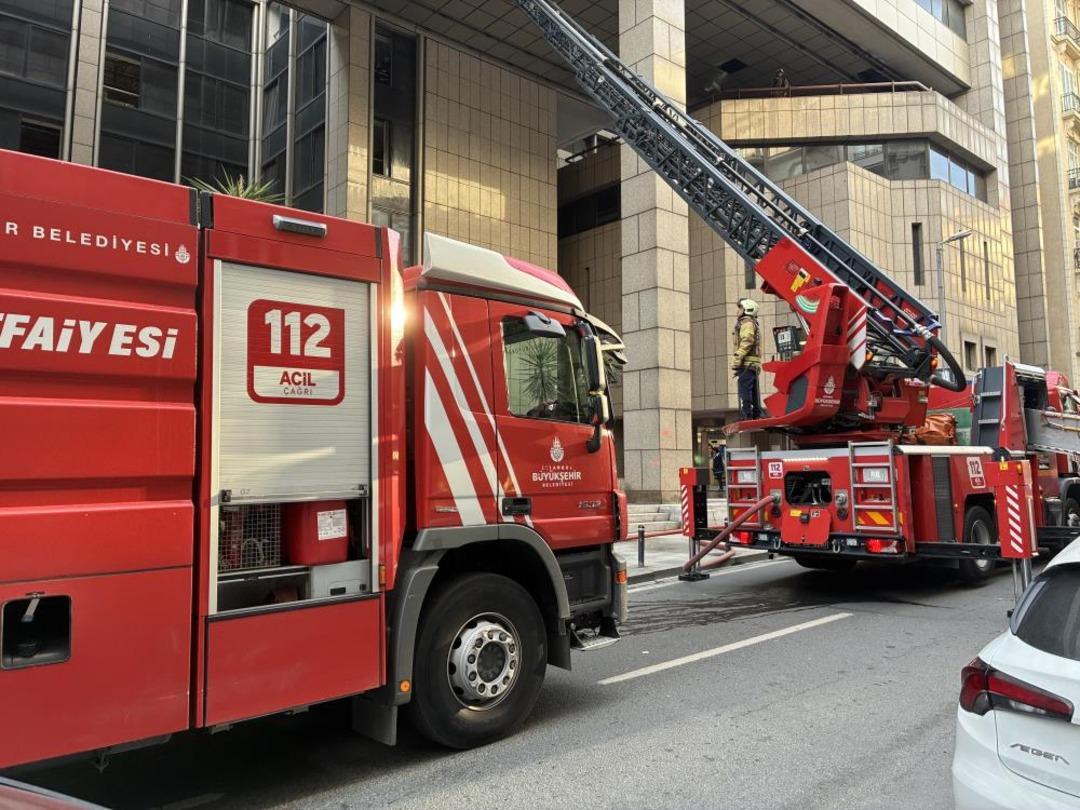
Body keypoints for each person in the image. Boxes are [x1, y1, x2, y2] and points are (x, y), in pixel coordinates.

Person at [732, 298, 764, 420]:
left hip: (747, 363)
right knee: (753, 391)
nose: (737, 311)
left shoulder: (746, 323)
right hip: (752, 364)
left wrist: (738, 357)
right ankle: (756, 414)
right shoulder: (751, 323)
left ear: (747, 309)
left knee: (744, 389)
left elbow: (747, 341)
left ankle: (746, 415)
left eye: (740, 308)